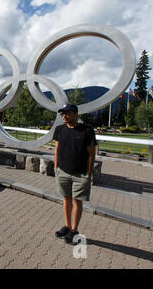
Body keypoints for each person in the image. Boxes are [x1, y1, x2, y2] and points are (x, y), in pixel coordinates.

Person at [53, 104, 97, 244]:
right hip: (63, 172)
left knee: (77, 201)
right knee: (66, 199)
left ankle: (74, 230)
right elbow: (57, 149)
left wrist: (88, 175)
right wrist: (56, 167)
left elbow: (91, 154)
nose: (64, 116)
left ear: (76, 114)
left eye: (67, 113)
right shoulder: (59, 129)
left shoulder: (87, 130)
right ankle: (67, 226)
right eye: (62, 114)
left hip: (80, 174)